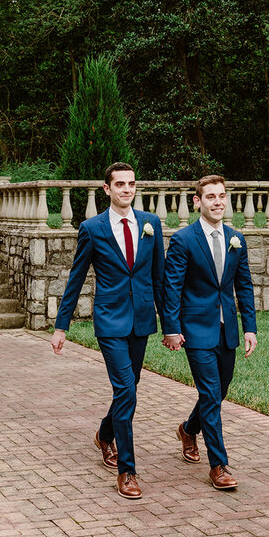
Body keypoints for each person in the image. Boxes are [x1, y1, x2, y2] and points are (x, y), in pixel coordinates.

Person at [50, 162, 165, 499]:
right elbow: (76, 279)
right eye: (119, 184)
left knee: (129, 389)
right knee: (127, 389)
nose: (126, 189)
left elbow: (159, 278)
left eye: (131, 184)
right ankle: (127, 472)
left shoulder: (151, 224)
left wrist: (171, 325)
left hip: (141, 319)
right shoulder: (92, 228)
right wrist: (61, 326)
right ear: (107, 189)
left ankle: (104, 433)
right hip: (110, 321)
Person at [162, 174, 257, 490]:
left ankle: (189, 429)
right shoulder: (184, 240)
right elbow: (172, 287)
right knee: (211, 393)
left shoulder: (236, 239)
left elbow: (243, 286)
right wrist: (172, 328)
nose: (218, 201)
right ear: (197, 201)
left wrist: (250, 329)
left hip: (226, 328)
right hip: (196, 329)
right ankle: (219, 465)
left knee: (220, 390)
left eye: (222, 196)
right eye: (211, 196)